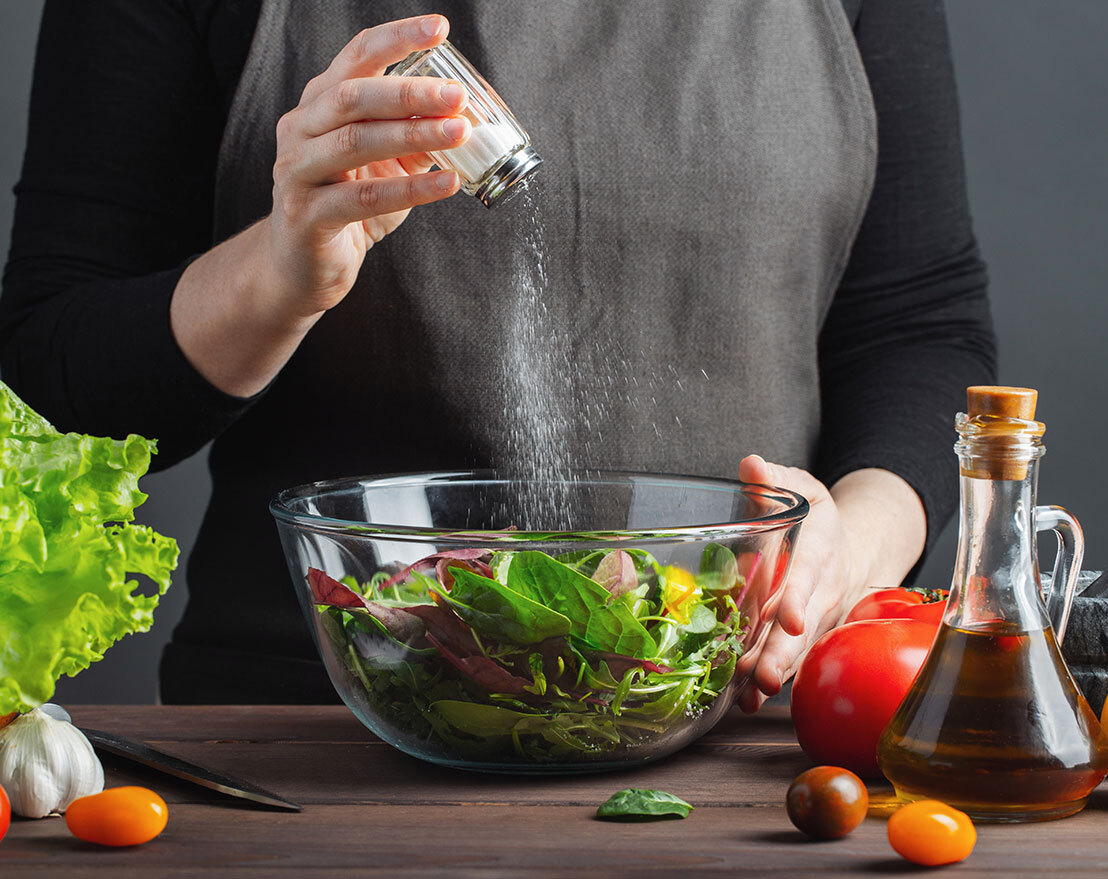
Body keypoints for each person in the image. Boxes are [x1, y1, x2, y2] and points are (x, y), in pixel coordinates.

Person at [0, 1, 995, 711]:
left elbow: (918, 321)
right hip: (318, 735)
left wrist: (844, 553)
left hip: (746, 720)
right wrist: (277, 275)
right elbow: (51, 382)